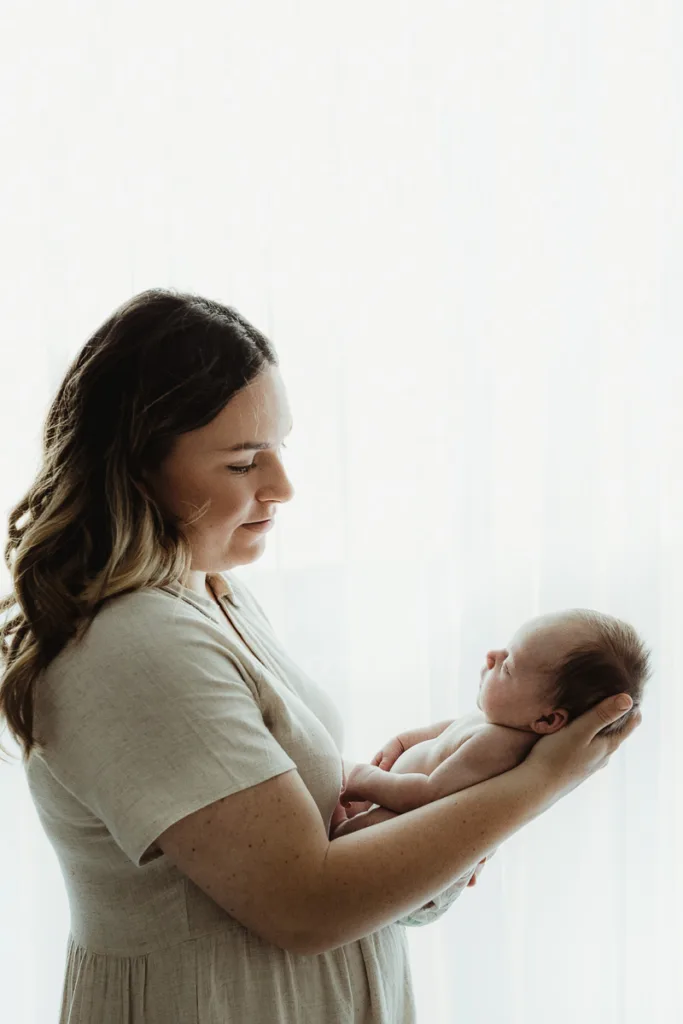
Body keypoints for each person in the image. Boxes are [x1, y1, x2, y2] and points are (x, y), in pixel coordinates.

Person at [0, 289, 641, 1024]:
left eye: (279, 448)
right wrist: (540, 782)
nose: (282, 486)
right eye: (244, 463)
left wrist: (422, 799)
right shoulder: (132, 643)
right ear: (137, 468)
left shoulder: (211, 593)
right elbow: (304, 906)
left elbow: (275, 821)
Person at [334, 609, 650, 926]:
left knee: (348, 839)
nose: (492, 657)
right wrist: (403, 742)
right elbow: (442, 733)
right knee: (360, 817)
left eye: (508, 666)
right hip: (402, 813)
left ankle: (336, 836)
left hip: (416, 851)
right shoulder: (494, 719)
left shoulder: (500, 746)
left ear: (547, 720)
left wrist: (367, 779)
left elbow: (427, 795)